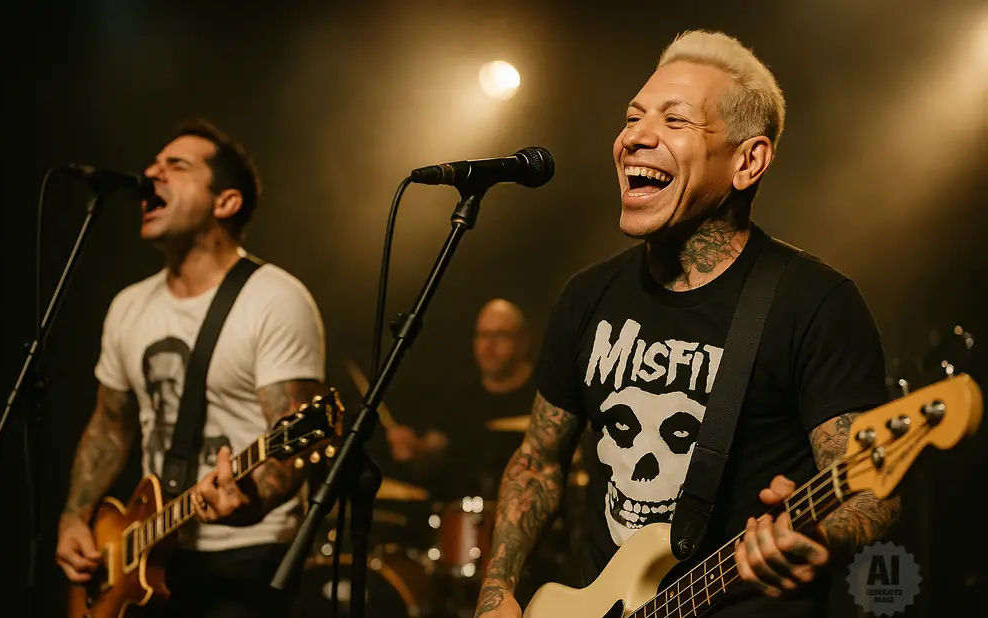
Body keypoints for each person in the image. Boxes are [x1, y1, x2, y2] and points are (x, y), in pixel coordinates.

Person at [474, 30, 902, 618]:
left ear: (747, 161)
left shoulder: (815, 303)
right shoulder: (586, 297)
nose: (635, 138)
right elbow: (538, 461)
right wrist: (497, 590)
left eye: (674, 121)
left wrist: (823, 538)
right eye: (632, 117)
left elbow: (868, 487)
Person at [54, 119, 328, 618]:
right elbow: (109, 426)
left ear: (226, 202)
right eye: (153, 164)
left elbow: (292, 442)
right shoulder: (128, 305)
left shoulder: (274, 298)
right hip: (148, 548)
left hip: (246, 559)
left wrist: (249, 499)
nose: (150, 174)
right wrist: (75, 516)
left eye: (175, 166)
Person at [386, 298, 536, 498]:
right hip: (468, 520)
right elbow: (435, 451)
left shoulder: (547, 394)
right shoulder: (460, 397)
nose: (488, 346)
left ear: (523, 341)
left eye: (500, 335)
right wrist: (416, 450)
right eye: (482, 335)